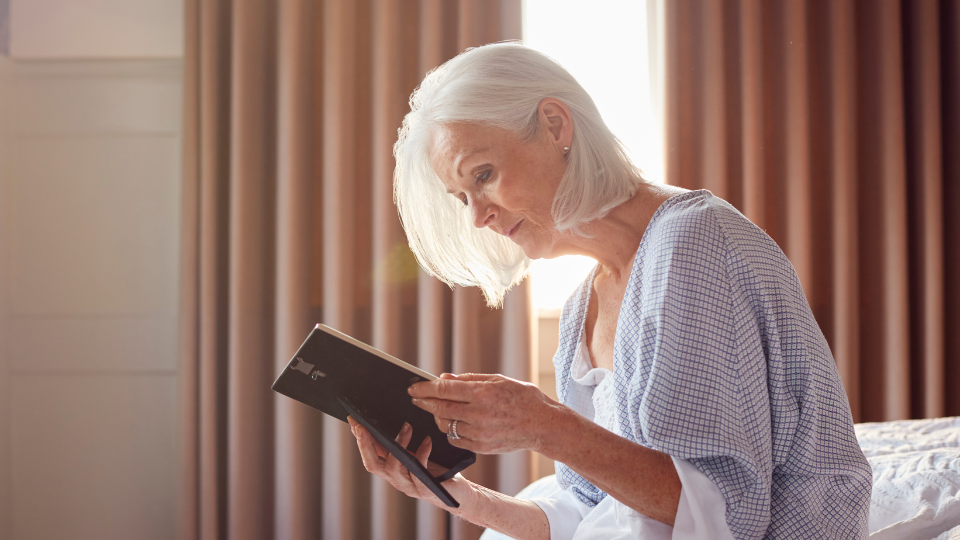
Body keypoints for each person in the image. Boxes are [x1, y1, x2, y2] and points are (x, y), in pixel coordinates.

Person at [346, 42, 872, 540]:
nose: (478, 216)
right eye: (462, 197)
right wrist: (450, 491)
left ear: (555, 125)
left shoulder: (694, 243)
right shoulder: (583, 306)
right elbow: (590, 511)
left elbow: (725, 518)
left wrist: (545, 425)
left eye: (483, 175)